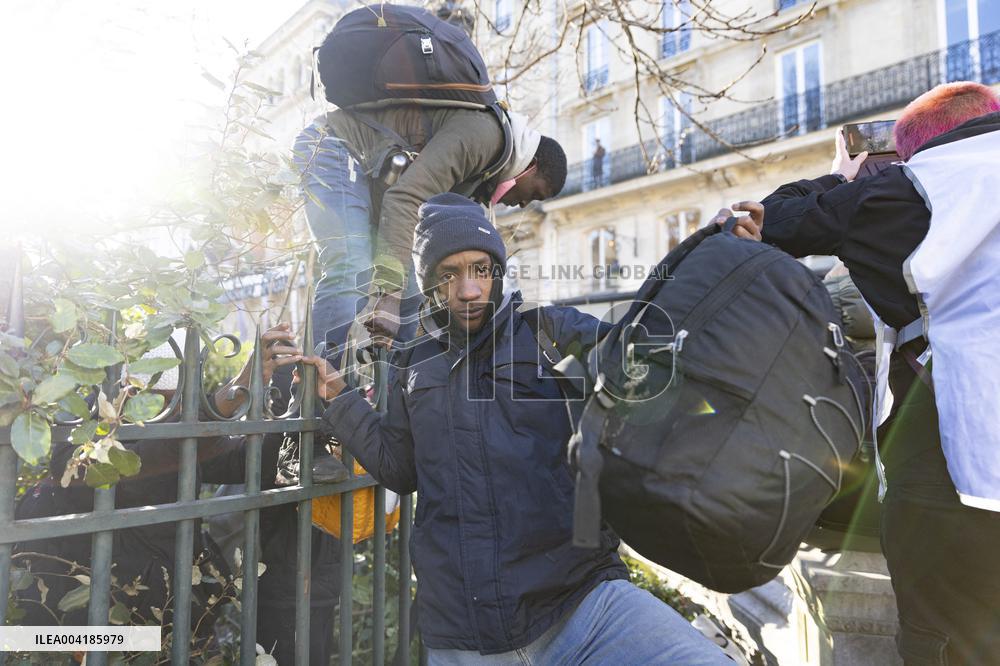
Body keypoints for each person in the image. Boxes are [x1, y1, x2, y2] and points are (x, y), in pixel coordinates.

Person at [298, 193, 731, 664]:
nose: (468, 290)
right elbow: (401, 470)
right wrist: (340, 399)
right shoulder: (413, 363)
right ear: (429, 285)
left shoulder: (550, 333)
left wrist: (709, 259)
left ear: (497, 272)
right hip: (463, 637)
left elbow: (645, 357)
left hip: (585, 608)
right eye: (449, 274)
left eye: (480, 269)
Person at [751, 82, 1000, 665]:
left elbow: (770, 219)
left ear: (913, 152)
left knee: (948, 632)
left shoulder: (911, 189)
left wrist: (843, 178)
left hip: (965, 466)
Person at [293, 95, 568, 364]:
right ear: (530, 167)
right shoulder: (485, 136)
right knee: (350, 267)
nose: (522, 203)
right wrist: (389, 295)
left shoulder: (485, 173)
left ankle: (395, 397)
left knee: (410, 294)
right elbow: (404, 199)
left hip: (373, 181)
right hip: (334, 147)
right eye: (535, 194)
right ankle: (311, 390)